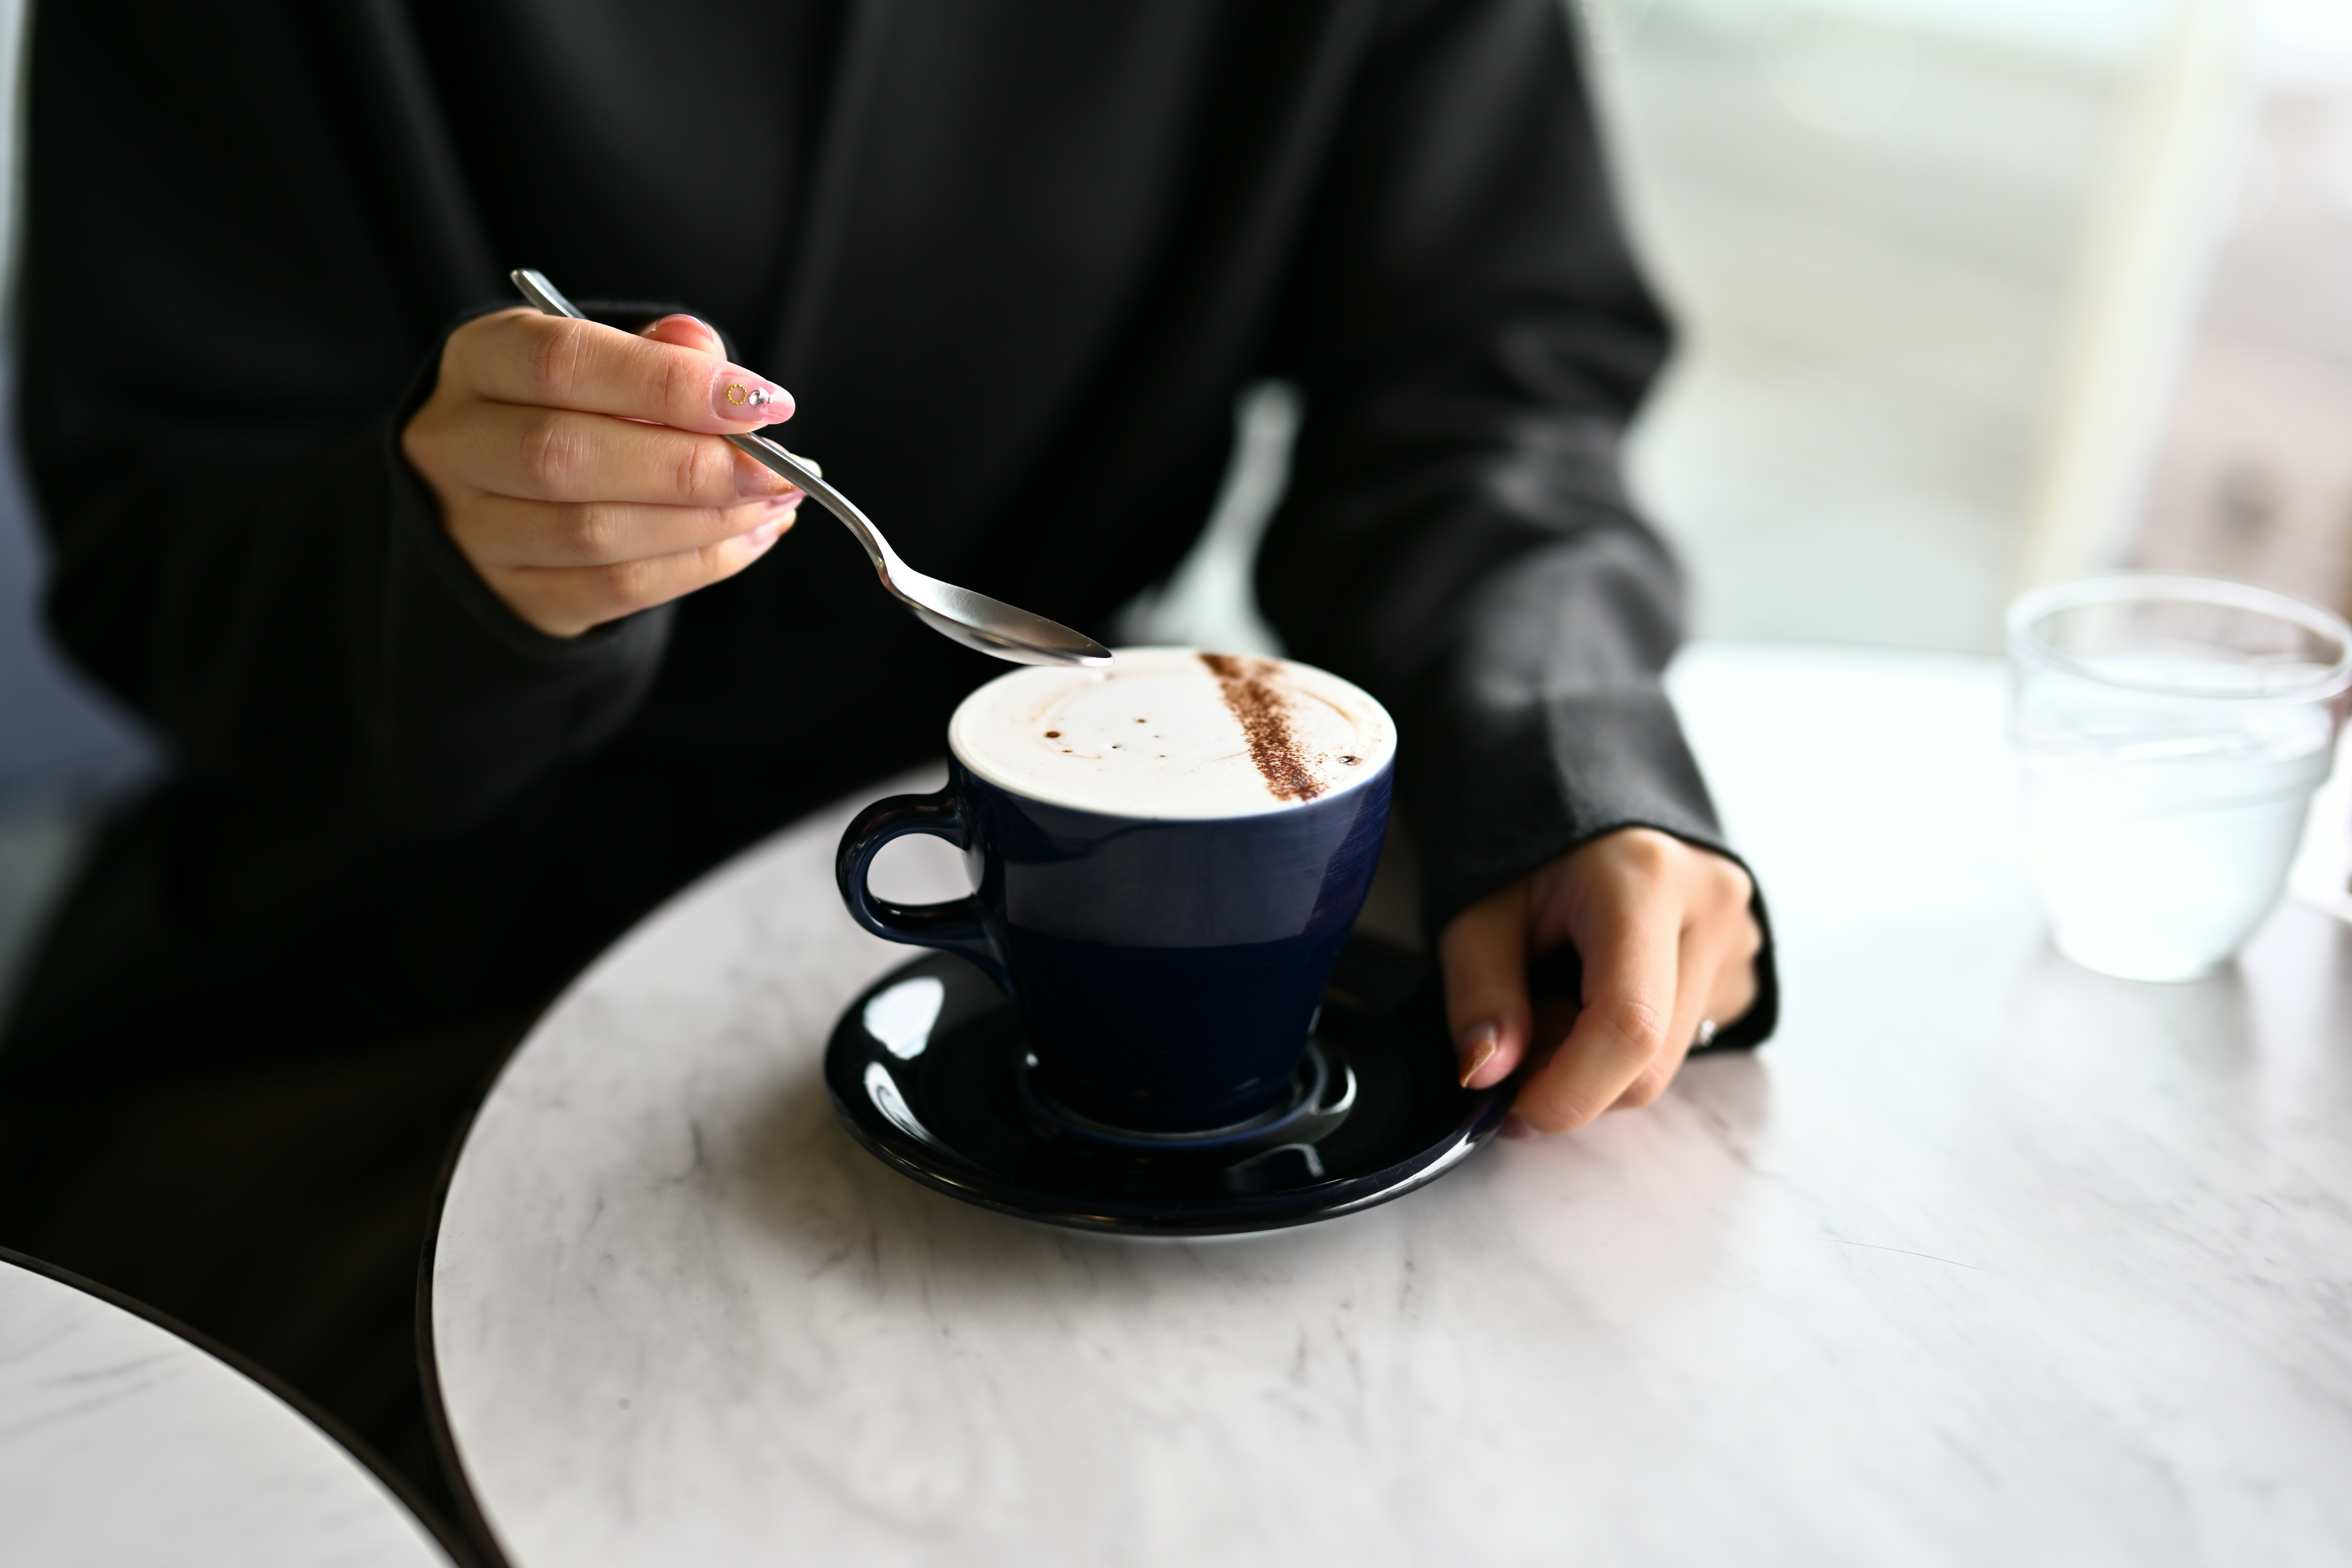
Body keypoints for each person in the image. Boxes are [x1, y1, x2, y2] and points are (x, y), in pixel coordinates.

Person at [0, 0, 1773, 1498]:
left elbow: (1487, 390)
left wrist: (1552, 744)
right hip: (373, 1013)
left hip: (1124, 967)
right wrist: (451, 559)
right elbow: (166, 558)